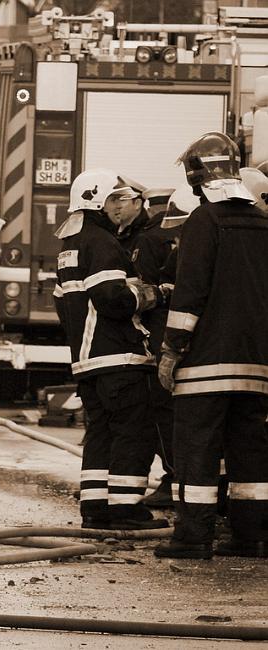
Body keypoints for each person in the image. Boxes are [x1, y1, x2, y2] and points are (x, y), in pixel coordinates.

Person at [155, 132, 268, 560]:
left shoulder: (205, 221)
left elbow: (191, 294)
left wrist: (171, 349)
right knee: (250, 449)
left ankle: (193, 536)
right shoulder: (262, 220)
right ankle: (252, 535)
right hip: (256, 365)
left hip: (206, 364)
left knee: (198, 447)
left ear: (198, 175)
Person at [53, 168, 168, 531]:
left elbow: (65, 303)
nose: (122, 206)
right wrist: (151, 294)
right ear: (100, 201)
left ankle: (95, 506)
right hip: (118, 356)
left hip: (88, 362)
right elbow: (111, 298)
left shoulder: (70, 245)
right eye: (116, 198)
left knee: (100, 432)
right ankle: (124, 507)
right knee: (132, 430)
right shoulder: (102, 243)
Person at [129, 187, 178, 508]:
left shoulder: (147, 239)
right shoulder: (189, 234)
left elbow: (144, 288)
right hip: (188, 336)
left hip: (160, 335)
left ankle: (171, 478)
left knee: (161, 410)